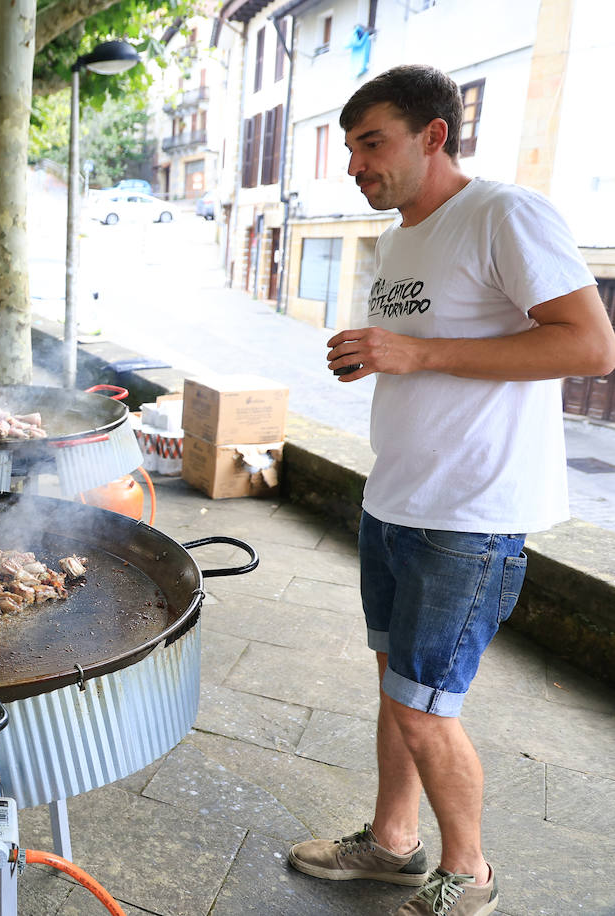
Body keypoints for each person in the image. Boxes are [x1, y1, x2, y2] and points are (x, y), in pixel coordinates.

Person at [292, 65, 615, 916]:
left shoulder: (504, 213)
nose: (356, 165)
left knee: (426, 706)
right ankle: (394, 844)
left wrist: (416, 354)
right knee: (400, 686)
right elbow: (430, 349)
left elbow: (589, 347)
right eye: (351, 147)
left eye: (373, 143)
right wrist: (378, 355)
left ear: (435, 135)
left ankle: (470, 875)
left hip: (470, 514)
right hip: (396, 497)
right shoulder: (402, 235)